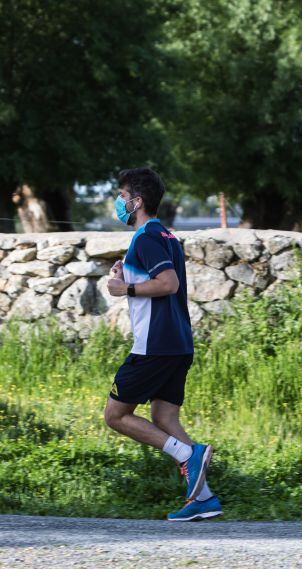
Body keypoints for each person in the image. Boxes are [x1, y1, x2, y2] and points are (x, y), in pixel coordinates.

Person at [102, 167, 222, 521]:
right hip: (178, 342)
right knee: (163, 415)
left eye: (122, 196)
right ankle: (203, 498)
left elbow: (167, 284)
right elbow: (160, 280)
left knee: (116, 415)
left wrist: (126, 288)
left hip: (154, 346)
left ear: (137, 201)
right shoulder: (167, 237)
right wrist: (126, 275)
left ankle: (188, 455)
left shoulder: (147, 237)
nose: (119, 202)